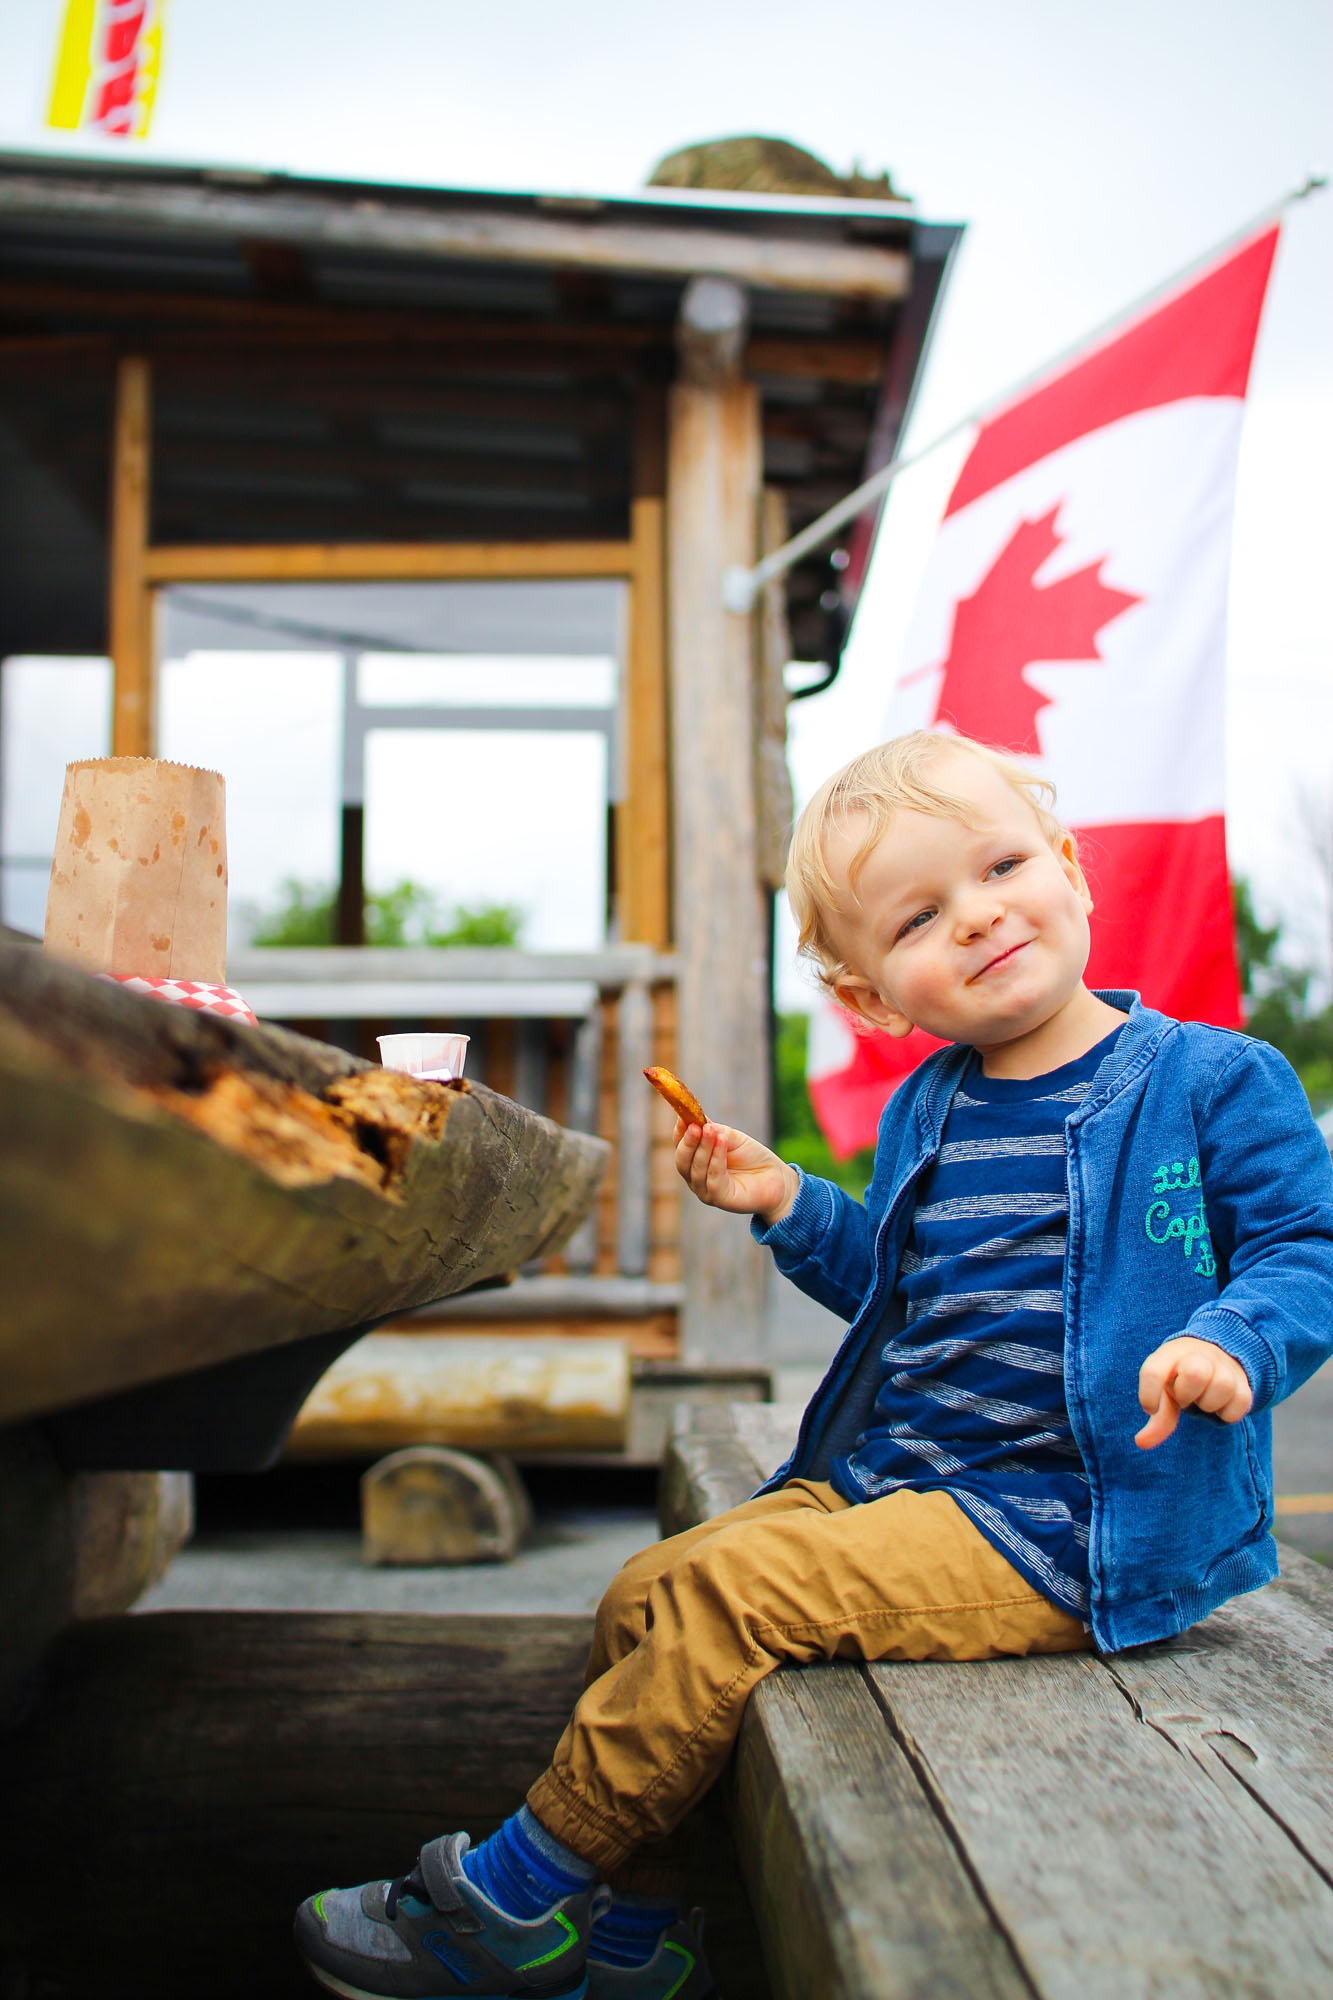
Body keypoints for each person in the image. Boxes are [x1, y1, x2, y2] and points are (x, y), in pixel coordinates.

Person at [294, 728, 1333, 2000]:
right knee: (643, 1588)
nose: (978, 915)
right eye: (917, 917)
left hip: (1068, 1519)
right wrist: (788, 1199)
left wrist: (1228, 1336)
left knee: (739, 1596)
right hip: (903, 1480)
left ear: (1072, 869)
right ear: (873, 999)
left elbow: (1303, 1248)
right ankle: (636, 1928)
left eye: (1002, 864)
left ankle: (509, 1899)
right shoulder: (930, 1109)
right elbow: (896, 1296)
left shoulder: (1211, 1080)